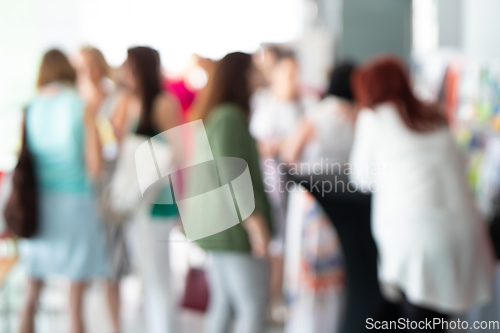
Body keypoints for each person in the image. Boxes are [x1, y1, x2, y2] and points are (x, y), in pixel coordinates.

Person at [349, 55, 495, 330]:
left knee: (419, 318)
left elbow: (361, 178)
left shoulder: (373, 118)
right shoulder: (434, 115)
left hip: (415, 240)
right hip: (464, 234)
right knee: (442, 321)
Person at [18, 49, 109, 333]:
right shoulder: (80, 105)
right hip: (75, 206)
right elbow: (95, 166)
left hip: (37, 207)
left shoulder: (30, 108)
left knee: (31, 295)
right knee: (75, 303)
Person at [190, 52, 273, 333]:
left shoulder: (219, 115)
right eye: (254, 71)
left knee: (224, 305)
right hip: (233, 230)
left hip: (222, 228)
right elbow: (231, 173)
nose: (259, 77)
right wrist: (255, 224)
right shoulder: (229, 116)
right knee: (253, 306)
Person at [280, 62, 357, 333]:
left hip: (311, 202)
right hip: (346, 204)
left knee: (307, 274)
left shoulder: (316, 115)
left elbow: (288, 155)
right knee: (336, 275)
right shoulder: (357, 118)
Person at [111, 46, 181, 333]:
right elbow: (115, 138)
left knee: (158, 279)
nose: (125, 73)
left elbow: (177, 149)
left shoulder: (162, 103)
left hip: (158, 199)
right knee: (148, 278)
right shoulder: (128, 102)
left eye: (129, 67)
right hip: (136, 200)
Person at [74, 46, 128, 333]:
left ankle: (116, 326)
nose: (86, 72)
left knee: (112, 264)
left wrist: (94, 119)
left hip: (107, 186)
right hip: (78, 190)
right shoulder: (73, 100)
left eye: (90, 65)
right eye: (80, 66)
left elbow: (111, 148)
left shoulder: (115, 99)